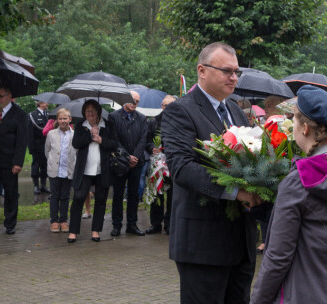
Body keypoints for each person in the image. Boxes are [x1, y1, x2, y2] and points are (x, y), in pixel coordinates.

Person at [161, 42, 263, 304]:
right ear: (202, 71)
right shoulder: (180, 111)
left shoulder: (237, 111)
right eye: (227, 71)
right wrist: (236, 192)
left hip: (241, 242)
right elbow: (182, 167)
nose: (234, 78)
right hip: (203, 245)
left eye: (236, 71)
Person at [250, 85, 327, 304]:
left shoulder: (298, 182)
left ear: (305, 128)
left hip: (300, 295)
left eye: (293, 119)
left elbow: (277, 258)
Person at [67, 100, 118, 243]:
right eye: (87, 111)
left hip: (102, 170)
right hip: (84, 170)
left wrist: (101, 140)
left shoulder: (108, 125)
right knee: (78, 197)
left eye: (93, 111)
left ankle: (96, 230)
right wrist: (90, 136)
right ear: (84, 113)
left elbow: (114, 144)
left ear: (98, 112)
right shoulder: (80, 126)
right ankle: (73, 231)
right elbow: (76, 143)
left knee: (101, 200)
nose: (90, 114)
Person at [0, 87, 28, 235]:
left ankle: (10, 224)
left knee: (10, 193)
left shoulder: (19, 114)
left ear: (9, 96)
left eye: (1, 96)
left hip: (8, 161)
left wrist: (18, 162)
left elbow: (22, 140)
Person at [109, 91, 147, 237]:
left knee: (134, 194)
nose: (134, 104)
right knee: (118, 194)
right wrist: (127, 157)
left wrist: (134, 157)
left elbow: (143, 139)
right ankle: (116, 224)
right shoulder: (113, 117)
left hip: (137, 163)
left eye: (137, 101)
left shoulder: (142, 118)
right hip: (120, 162)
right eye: (132, 100)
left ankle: (132, 224)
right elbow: (114, 139)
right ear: (125, 100)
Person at [145, 94, 176, 235]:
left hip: (173, 162)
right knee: (157, 193)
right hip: (157, 162)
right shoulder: (154, 122)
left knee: (172, 195)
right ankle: (155, 224)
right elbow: (147, 139)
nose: (166, 108)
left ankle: (170, 223)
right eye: (164, 105)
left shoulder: (180, 120)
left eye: (170, 105)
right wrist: (152, 147)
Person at [45, 108, 76, 233]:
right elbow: (47, 151)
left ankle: (63, 220)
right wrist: (52, 162)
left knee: (65, 196)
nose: (63, 121)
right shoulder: (51, 134)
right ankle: (54, 221)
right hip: (54, 170)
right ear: (57, 120)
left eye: (65, 118)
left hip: (68, 170)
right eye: (60, 119)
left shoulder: (74, 134)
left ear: (70, 119)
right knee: (54, 196)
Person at [27, 99, 50, 194]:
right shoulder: (32, 115)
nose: (47, 103)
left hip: (47, 145)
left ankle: (43, 185)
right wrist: (31, 147)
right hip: (37, 145)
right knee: (36, 166)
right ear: (40, 103)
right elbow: (30, 133)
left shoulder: (49, 114)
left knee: (45, 166)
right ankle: (36, 185)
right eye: (45, 102)